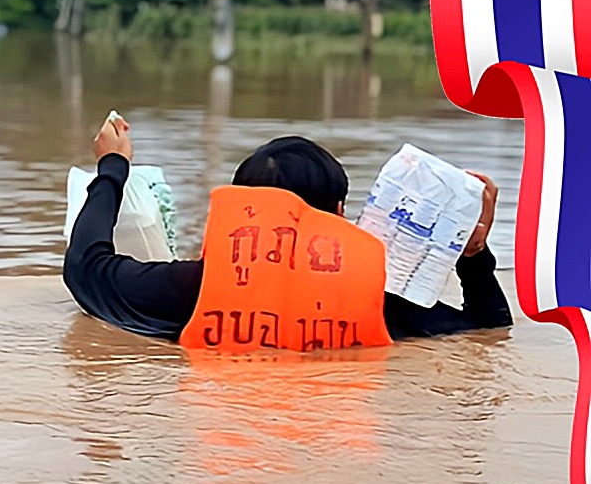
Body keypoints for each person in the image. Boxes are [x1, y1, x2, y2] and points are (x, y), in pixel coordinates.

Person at [63, 115, 513, 344]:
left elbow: (85, 268)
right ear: (338, 212)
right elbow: (488, 330)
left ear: (241, 209)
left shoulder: (190, 288)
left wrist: (113, 167)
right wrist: (473, 255)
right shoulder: (379, 303)